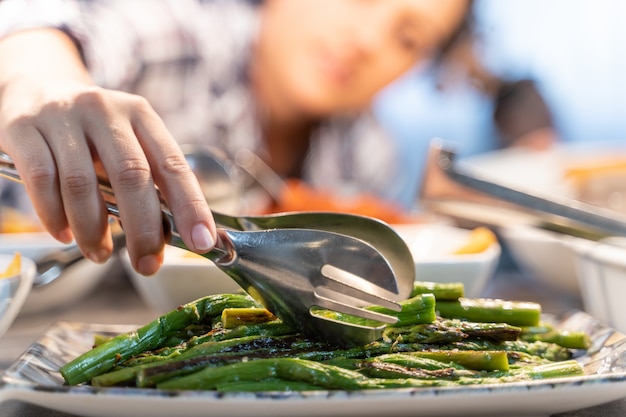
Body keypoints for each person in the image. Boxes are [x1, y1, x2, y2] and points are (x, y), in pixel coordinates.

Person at [0, 0, 471, 275]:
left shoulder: (367, 154)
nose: (368, 40)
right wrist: (42, 79)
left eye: (408, 38)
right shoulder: (181, 35)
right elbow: (40, 26)